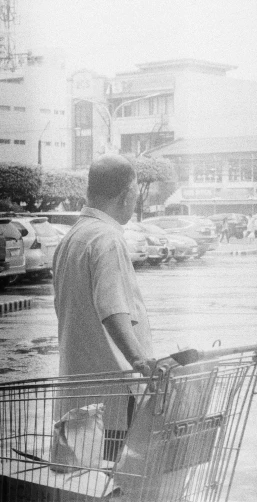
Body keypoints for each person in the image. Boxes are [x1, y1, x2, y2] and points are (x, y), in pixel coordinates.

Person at [53, 154, 156, 460]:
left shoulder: (72, 237)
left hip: (78, 389)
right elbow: (112, 310)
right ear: (126, 194)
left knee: (88, 478)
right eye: (135, 193)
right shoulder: (107, 238)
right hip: (112, 391)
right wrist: (141, 360)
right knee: (113, 478)